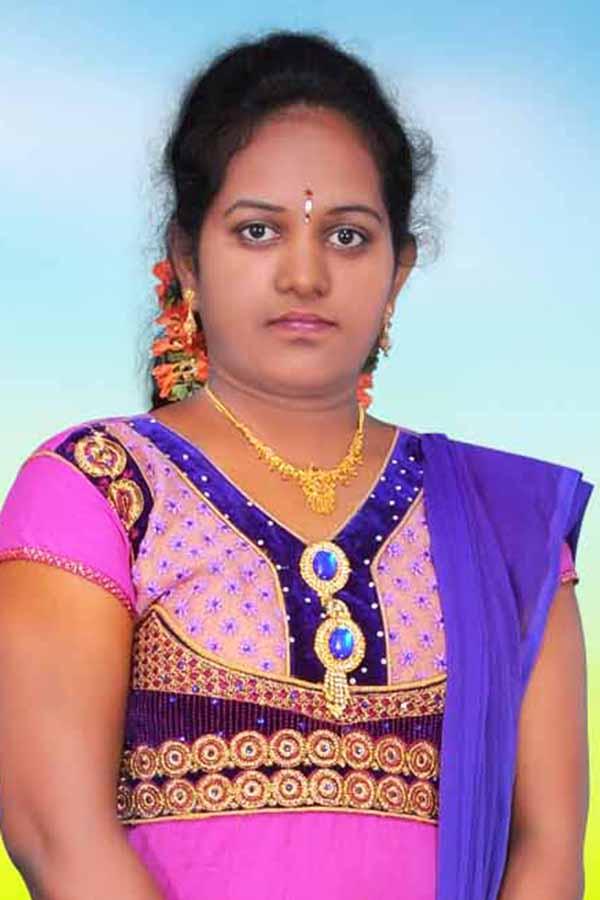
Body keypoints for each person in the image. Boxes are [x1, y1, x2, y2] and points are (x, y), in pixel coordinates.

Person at [0, 30, 593, 900]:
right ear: (188, 259)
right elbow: (58, 835)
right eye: (258, 231)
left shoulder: (509, 529)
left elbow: (547, 852)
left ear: (398, 273)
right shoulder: (98, 488)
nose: (305, 275)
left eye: (348, 236)